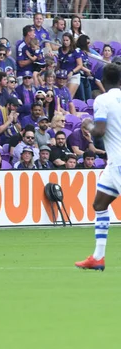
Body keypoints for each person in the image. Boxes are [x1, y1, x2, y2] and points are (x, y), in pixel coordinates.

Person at [74, 66, 121, 271]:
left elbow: (100, 131)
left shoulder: (103, 100)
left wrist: (88, 124)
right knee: (100, 204)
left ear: (102, 80)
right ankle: (98, 257)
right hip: (113, 164)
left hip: (119, 161)